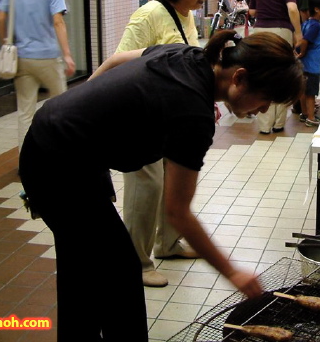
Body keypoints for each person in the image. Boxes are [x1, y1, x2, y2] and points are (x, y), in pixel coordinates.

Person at [19, 30, 303, 341]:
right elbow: (177, 213)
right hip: (58, 163)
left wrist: (77, 108)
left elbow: (114, 61)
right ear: (240, 77)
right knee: (120, 277)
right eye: (266, 101)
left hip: (57, 144)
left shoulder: (188, 55)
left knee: (86, 271)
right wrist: (232, 272)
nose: (263, 111)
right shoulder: (193, 113)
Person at [116, 0, 222, 288]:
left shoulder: (186, 14)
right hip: (140, 117)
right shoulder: (148, 15)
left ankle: (167, 244)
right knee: (145, 189)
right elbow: (120, 61)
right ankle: (135, 261)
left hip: (172, 118)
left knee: (172, 184)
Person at [0, 0, 75, 150]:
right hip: (48, 56)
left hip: (22, 57)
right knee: (61, 107)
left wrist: (5, 42)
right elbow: (58, 22)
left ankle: (26, 161)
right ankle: (62, 153)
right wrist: (67, 54)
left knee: (25, 111)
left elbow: (0, 18)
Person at [249, 0, 302, 134]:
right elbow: (293, 9)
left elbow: (252, 11)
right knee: (281, 75)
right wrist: (299, 33)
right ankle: (278, 123)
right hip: (281, 31)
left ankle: (264, 125)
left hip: (260, 32)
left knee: (263, 76)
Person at [296, 0, 320, 127]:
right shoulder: (315, 25)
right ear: (317, 9)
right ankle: (311, 117)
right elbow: (305, 41)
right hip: (311, 65)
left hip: (304, 65)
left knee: (303, 91)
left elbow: (300, 40)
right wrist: (303, 52)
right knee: (311, 93)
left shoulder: (307, 23)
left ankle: (304, 113)